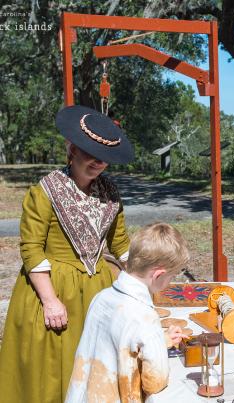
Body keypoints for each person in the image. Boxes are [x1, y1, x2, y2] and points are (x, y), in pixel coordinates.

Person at [0, 105, 134, 403]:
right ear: (72, 149)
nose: (99, 163)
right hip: (52, 291)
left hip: (97, 291)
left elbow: (121, 244)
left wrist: (141, 280)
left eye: (105, 158)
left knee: (95, 370)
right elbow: (31, 249)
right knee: (53, 372)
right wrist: (50, 301)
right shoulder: (45, 190)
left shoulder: (110, 192)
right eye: (91, 154)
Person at [65, 222, 189, 402]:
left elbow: (118, 343)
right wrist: (156, 346)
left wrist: (160, 341)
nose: (170, 282)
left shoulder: (101, 298)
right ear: (158, 275)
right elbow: (155, 382)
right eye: (171, 277)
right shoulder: (145, 317)